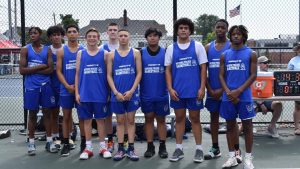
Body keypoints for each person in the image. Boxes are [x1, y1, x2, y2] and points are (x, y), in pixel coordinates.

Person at [165, 18, 207, 163]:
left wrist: (202, 87)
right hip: (178, 92)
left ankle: (199, 149)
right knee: (179, 118)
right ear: (177, 31)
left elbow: (203, 68)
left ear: (190, 31)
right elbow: (168, 70)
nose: (183, 30)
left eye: (186, 28)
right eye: (181, 28)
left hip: (194, 91)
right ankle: (179, 148)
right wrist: (170, 88)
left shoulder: (198, 46)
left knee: (195, 119)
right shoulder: (171, 48)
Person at [219, 25, 257, 169]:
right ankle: (233, 156)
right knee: (230, 126)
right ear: (230, 36)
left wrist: (238, 91)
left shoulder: (251, 53)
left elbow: (253, 75)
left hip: (244, 96)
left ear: (243, 36)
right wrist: (229, 92)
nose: (236, 36)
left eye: (238, 34)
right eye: (233, 34)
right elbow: (221, 76)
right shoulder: (225, 55)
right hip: (228, 96)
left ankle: (248, 158)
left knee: (247, 126)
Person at [75, 28, 111, 160]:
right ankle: (88, 147)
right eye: (89, 36)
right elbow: (77, 74)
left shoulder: (105, 54)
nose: (92, 38)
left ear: (98, 39)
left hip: (100, 94)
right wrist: (77, 93)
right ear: (86, 38)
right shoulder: (80, 54)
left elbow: (108, 75)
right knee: (87, 121)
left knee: (101, 121)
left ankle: (103, 146)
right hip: (84, 93)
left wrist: (108, 92)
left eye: (94, 36)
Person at [19, 26, 56, 155]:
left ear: (40, 34)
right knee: (32, 113)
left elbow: (50, 70)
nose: (32, 35)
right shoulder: (25, 50)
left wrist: (34, 69)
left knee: (47, 112)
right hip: (31, 86)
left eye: (35, 33)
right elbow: (22, 70)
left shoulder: (48, 50)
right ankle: (31, 142)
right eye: (31, 33)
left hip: (45, 85)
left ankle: (49, 141)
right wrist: (41, 66)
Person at [107, 29, 142, 161]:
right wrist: (116, 92)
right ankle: (120, 149)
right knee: (120, 121)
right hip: (117, 95)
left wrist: (132, 90)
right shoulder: (111, 55)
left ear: (129, 37)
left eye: (125, 36)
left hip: (131, 94)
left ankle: (131, 149)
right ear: (117, 37)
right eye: (120, 36)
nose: (122, 38)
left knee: (131, 121)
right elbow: (109, 75)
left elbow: (139, 73)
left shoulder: (136, 53)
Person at [204, 19, 236, 160]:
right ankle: (215, 148)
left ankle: (236, 150)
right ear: (214, 28)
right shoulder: (208, 47)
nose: (220, 30)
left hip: (227, 91)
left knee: (231, 120)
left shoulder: (232, 46)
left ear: (227, 29)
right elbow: (203, 71)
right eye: (218, 27)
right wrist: (209, 89)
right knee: (214, 118)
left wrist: (223, 90)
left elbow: (233, 72)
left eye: (223, 27)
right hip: (212, 90)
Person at [140, 28, 169, 158]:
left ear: (159, 38)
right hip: (146, 94)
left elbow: (170, 72)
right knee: (148, 119)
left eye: (155, 35)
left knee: (161, 120)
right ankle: (150, 146)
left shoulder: (166, 52)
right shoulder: (140, 53)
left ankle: (162, 146)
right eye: (150, 36)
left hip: (162, 93)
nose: (152, 38)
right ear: (146, 38)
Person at [56, 24, 85, 156]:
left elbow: (84, 72)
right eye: (69, 32)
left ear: (78, 34)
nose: (72, 34)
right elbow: (58, 71)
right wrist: (67, 86)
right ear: (66, 35)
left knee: (83, 117)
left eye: (74, 31)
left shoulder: (83, 50)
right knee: (66, 117)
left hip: (81, 90)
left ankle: (84, 144)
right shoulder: (62, 51)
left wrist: (78, 87)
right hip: (66, 89)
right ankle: (66, 143)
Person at [239, 56, 282, 138]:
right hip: (254, 101)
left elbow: (273, 91)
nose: (267, 65)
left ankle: (271, 127)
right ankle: (245, 127)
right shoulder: (252, 75)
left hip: (267, 99)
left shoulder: (270, 75)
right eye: (265, 63)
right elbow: (250, 93)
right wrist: (261, 104)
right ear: (258, 64)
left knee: (278, 104)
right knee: (240, 130)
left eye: (268, 63)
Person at [99, 22, 120, 153]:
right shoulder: (102, 49)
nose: (113, 32)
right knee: (107, 116)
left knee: (121, 115)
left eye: (115, 30)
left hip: (121, 85)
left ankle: (123, 142)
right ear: (107, 32)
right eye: (110, 30)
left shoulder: (124, 47)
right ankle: (110, 142)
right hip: (106, 86)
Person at [47, 25, 65, 150]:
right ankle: (55, 135)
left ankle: (68, 135)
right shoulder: (46, 50)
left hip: (65, 84)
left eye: (58, 34)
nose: (56, 37)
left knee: (67, 111)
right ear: (50, 37)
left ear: (62, 36)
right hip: (51, 85)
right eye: (53, 35)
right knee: (54, 111)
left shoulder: (67, 50)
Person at [288, 44, 300, 135]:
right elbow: (288, 73)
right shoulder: (293, 60)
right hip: (297, 86)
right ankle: (297, 127)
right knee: (298, 107)